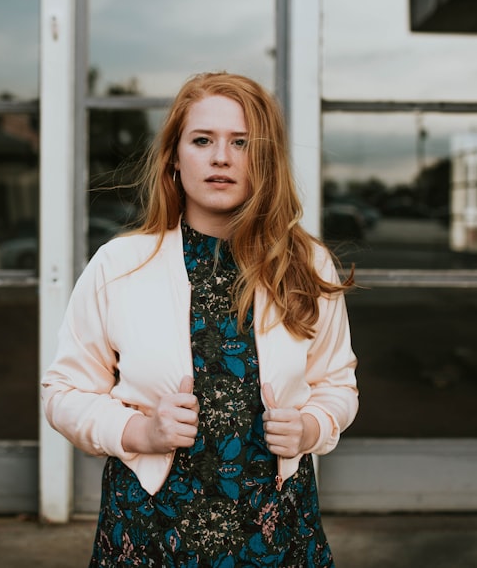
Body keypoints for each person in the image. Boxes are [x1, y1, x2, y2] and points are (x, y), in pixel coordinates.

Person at [41, 72, 358, 567]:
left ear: (265, 159)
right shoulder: (119, 264)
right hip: (148, 532)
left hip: (276, 532)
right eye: (202, 140)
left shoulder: (305, 264)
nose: (221, 157)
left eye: (241, 142)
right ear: (174, 156)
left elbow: (337, 385)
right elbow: (63, 392)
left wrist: (310, 429)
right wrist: (139, 433)